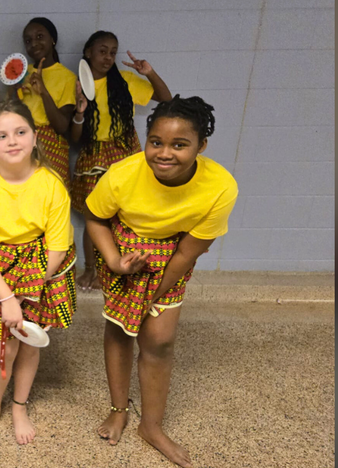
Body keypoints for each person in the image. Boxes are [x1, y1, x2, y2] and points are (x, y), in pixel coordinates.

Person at [85, 96, 237, 468]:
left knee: (159, 339)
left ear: (201, 146)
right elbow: (94, 218)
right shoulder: (122, 174)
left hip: (173, 255)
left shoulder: (220, 187)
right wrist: (116, 264)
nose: (164, 153)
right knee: (121, 330)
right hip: (124, 250)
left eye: (179, 145)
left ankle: (151, 426)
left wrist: (151, 295)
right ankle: (119, 410)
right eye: (156, 142)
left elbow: (188, 252)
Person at [0, 99, 77, 445]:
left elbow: (57, 247)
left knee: (30, 342)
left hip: (41, 264)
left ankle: (19, 406)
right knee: (3, 342)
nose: (12, 141)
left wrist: (26, 292)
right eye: (2, 135)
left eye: (20, 132)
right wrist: (7, 297)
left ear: (35, 137)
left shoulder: (51, 184)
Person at [70, 30, 172, 291]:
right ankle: (91, 270)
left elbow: (166, 99)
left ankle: (122, 267)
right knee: (94, 216)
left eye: (112, 52)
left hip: (123, 153)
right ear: (88, 53)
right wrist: (80, 109)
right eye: (102, 51)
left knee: (125, 216)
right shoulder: (76, 84)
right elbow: (74, 133)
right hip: (93, 155)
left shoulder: (124, 80)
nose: (108, 56)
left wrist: (147, 71)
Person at [10, 17, 77, 186]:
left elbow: (62, 126)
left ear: (53, 40)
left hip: (52, 151)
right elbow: (11, 117)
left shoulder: (67, 77)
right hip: (23, 146)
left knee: (51, 201)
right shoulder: (22, 74)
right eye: (28, 40)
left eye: (40, 37)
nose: (34, 43)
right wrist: (13, 88)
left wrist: (43, 91)